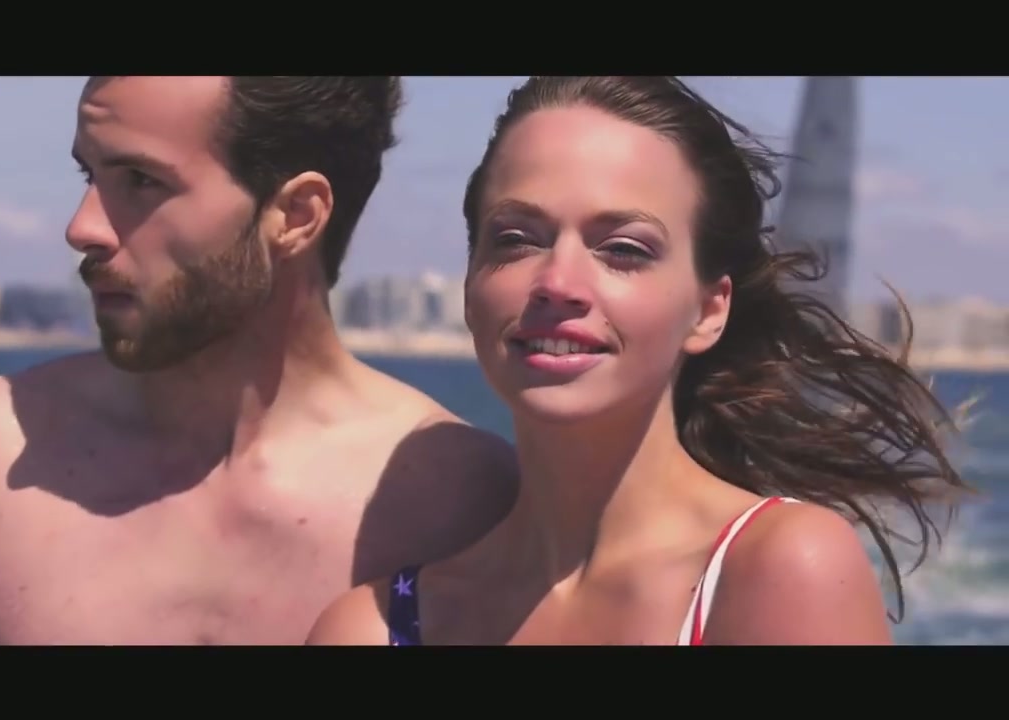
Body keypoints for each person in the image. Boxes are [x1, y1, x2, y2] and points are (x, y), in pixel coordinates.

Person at [0, 76, 518, 645]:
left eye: (141, 181)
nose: (82, 227)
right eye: (89, 173)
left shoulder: (469, 503)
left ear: (296, 216)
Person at [306, 76, 975, 646]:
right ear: (471, 286)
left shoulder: (778, 569)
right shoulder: (373, 629)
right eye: (516, 239)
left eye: (623, 249)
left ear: (708, 310)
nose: (558, 282)